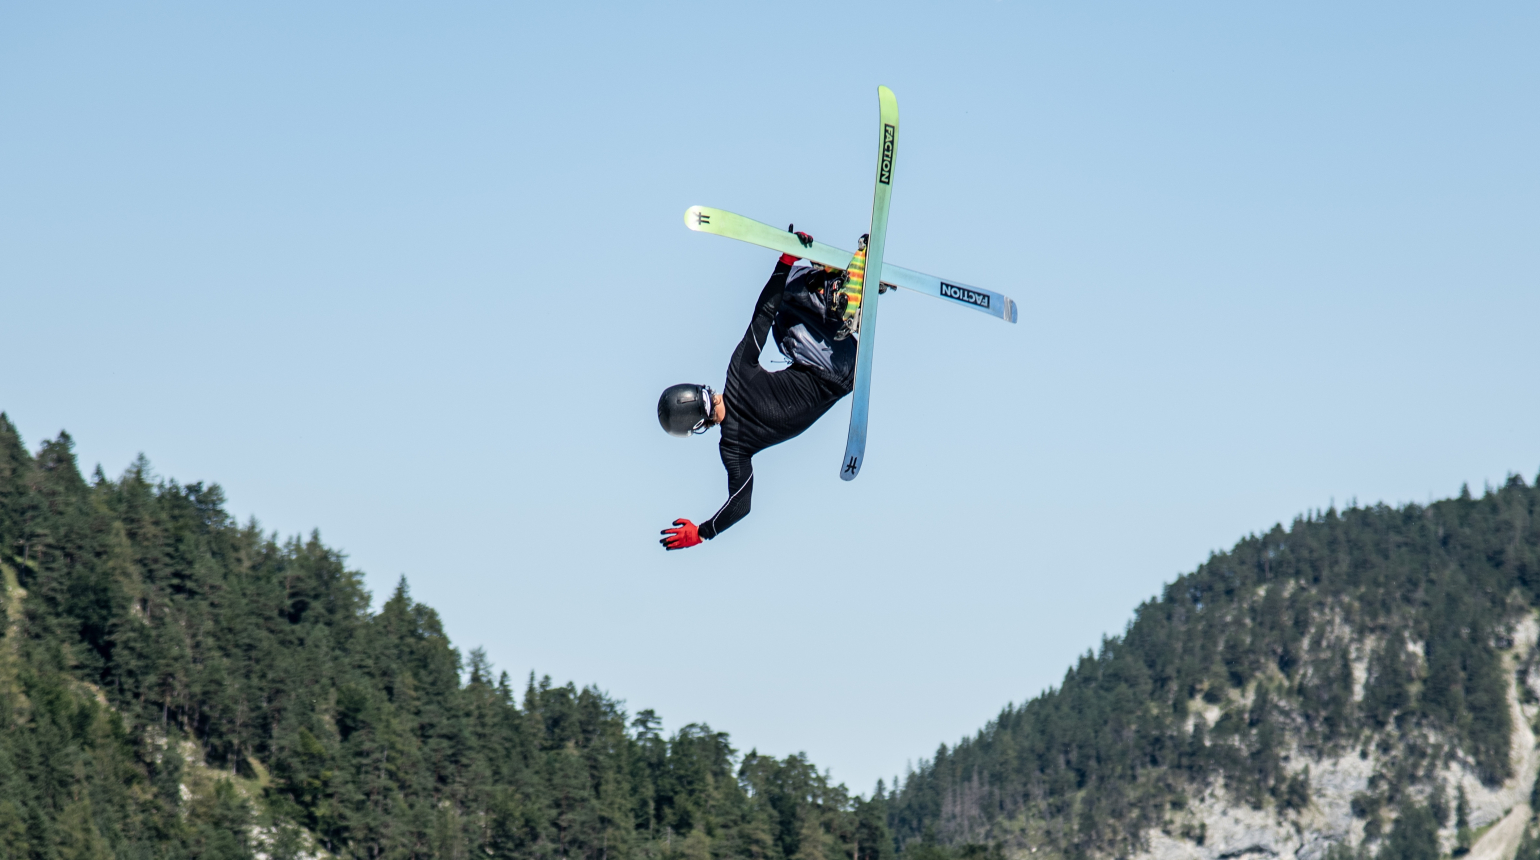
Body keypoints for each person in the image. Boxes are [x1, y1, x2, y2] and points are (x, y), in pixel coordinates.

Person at [657, 227, 858, 550]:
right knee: (784, 299)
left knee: (782, 322)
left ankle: (840, 294)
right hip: (832, 353)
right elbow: (762, 313)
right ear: (698, 390)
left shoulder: (733, 448)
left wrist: (703, 532)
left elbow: (741, 503)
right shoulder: (737, 372)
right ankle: (836, 291)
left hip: (846, 373)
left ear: (696, 425)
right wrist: (786, 261)